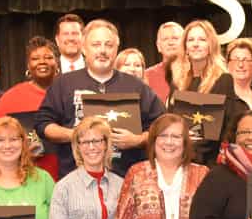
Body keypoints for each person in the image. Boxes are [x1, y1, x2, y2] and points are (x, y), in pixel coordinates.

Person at [36, 19, 165, 178]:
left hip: (126, 179)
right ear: (83, 48)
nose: (103, 50)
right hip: (76, 179)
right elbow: (43, 124)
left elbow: (161, 126)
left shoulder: (136, 86)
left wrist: (137, 140)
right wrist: (75, 134)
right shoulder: (63, 83)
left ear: (117, 49)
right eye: (96, 45)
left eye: (109, 45)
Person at [0, 36, 61, 181]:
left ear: (57, 62)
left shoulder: (68, 92)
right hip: (24, 178)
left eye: (48, 57)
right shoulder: (11, 98)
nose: (42, 61)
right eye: (35, 58)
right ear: (28, 66)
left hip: (65, 175)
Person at [169, 19, 237, 165]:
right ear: (185, 46)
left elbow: (229, 125)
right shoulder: (177, 82)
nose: (195, 44)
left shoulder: (224, 80)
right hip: (180, 158)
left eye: (202, 39)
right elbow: (170, 121)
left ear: (210, 45)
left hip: (211, 161)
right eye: (191, 40)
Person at [143, 22, 184, 101]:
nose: (170, 43)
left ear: (185, 43)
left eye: (175, 38)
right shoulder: (147, 76)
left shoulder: (196, 73)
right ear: (158, 46)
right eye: (165, 39)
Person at [226, 39, 252, 112]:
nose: (240, 65)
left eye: (246, 60)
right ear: (228, 65)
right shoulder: (219, 98)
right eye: (236, 60)